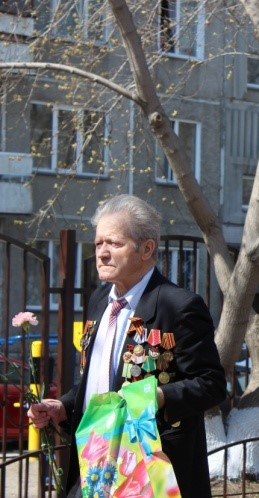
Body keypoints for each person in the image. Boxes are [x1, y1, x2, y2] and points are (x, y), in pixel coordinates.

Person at [28, 195, 226, 498]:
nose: (102, 253)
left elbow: (211, 384)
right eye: (98, 243)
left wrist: (158, 396)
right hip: (95, 466)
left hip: (150, 473)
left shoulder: (178, 306)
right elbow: (98, 380)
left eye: (114, 243)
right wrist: (64, 407)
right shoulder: (99, 301)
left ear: (146, 249)